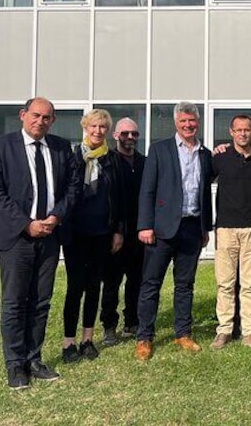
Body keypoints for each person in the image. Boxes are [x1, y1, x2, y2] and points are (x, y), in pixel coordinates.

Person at [0, 97, 80, 390]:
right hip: (16, 237)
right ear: (23, 115)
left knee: (41, 301)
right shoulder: (0, 146)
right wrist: (27, 223)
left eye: (47, 117)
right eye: (36, 115)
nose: (40, 121)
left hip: (50, 235)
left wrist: (56, 217)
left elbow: (73, 187)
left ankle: (33, 359)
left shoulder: (62, 148)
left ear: (53, 121)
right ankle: (15, 365)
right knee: (14, 303)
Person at [134, 102, 213, 361]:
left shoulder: (205, 154)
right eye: (183, 121)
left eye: (192, 121)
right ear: (176, 123)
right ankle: (145, 337)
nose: (188, 125)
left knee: (185, 285)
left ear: (198, 122)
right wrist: (145, 225)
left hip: (192, 227)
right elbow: (147, 190)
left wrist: (205, 227)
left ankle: (183, 333)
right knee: (150, 284)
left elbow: (205, 194)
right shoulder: (159, 150)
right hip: (161, 229)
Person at [61, 109, 124, 363]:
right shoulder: (73, 156)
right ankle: (69, 342)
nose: (98, 131)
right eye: (94, 126)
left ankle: (88, 338)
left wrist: (118, 230)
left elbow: (118, 198)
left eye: (103, 128)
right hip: (76, 232)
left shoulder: (113, 159)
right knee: (75, 287)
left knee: (93, 286)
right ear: (85, 127)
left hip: (102, 232)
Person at [210, 115, 251, 350]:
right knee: (225, 283)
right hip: (225, 227)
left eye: (247, 130)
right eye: (238, 130)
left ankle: (249, 332)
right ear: (231, 132)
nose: (243, 134)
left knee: (249, 283)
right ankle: (224, 330)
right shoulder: (220, 157)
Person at [100, 117, 146, 346]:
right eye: (125, 133)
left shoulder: (145, 162)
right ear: (116, 135)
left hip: (140, 233)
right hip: (115, 233)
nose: (130, 137)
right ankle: (109, 326)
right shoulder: (107, 161)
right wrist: (116, 229)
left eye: (134, 134)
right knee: (111, 283)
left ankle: (132, 322)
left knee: (136, 281)